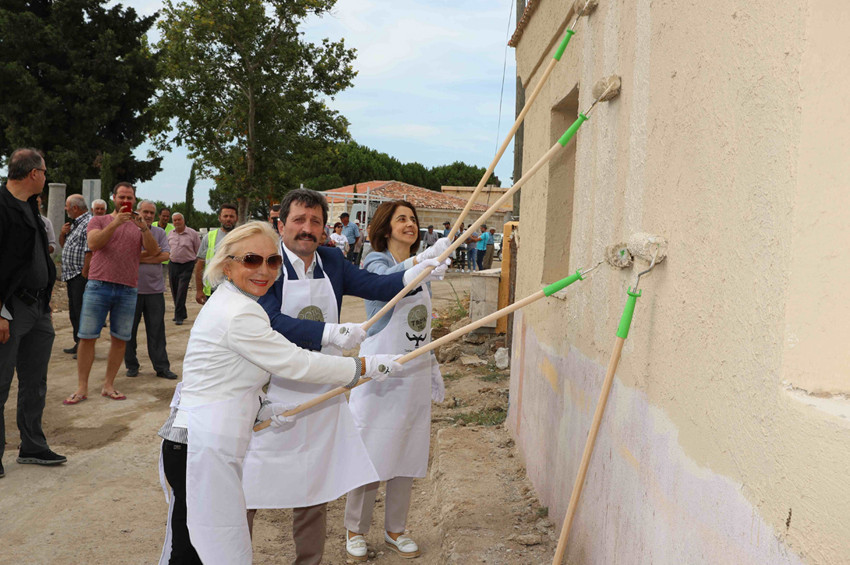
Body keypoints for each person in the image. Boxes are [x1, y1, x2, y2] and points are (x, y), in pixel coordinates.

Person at [156, 220, 404, 565]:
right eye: (251, 260)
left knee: (195, 545)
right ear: (227, 265)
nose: (264, 270)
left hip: (201, 440)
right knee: (204, 548)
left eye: (273, 261)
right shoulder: (239, 312)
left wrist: (260, 406)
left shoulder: (239, 302)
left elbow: (225, 377)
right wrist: (363, 367)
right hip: (201, 445)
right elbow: (295, 363)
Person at [241, 189, 448, 565]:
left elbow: (379, 287)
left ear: (324, 228)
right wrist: (329, 334)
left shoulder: (332, 261)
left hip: (322, 390)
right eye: (299, 220)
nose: (307, 229)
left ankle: (309, 560)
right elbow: (269, 320)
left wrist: (420, 265)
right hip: (270, 392)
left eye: (315, 221)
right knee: (249, 486)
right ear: (281, 224)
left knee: (314, 483)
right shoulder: (268, 263)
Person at [344, 200, 449, 561]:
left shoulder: (426, 269)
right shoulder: (376, 260)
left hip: (413, 373)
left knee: (407, 449)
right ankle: (356, 529)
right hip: (379, 373)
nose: (410, 224)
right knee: (370, 449)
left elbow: (421, 326)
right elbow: (385, 285)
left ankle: (396, 529)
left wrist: (432, 365)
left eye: (413, 219)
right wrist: (419, 263)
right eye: (401, 219)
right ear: (385, 227)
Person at [0, 148, 66, 478]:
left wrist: (45, 298)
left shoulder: (30, 207)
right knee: (0, 382)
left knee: (34, 382)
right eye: (44, 171)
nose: (45, 176)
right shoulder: (1, 206)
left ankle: (32, 445)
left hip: (38, 308)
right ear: (33, 174)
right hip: (10, 309)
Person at [63, 182, 158, 405]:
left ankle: (108, 385)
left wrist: (143, 227)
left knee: (120, 338)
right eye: (122, 197)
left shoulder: (139, 225)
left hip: (127, 288)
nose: (126, 201)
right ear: (114, 198)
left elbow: (153, 252)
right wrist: (115, 223)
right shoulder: (99, 220)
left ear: (135, 200)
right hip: (99, 285)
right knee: (87, 337)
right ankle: (82, 387)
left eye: (130, 198)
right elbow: (95, 243)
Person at [124, 201, 178, 380]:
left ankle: (161, 367)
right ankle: (131, 365)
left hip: (154, 290)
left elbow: (165, 256)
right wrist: (152, 254)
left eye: (151, 213)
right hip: (131, 289)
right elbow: (128, 256)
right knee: (128, 331)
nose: (148, 215)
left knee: (156, 330)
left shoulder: (160, 233)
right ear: (138, 212)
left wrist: (139, 257)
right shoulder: (128, 231)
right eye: (145, 212)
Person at [59, 194, 92, 357]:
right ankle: (77, 342)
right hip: (71, 275)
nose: (66, 210)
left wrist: (85, 274)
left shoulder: (88, 223)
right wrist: (63, 233)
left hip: (80, 275)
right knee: (74, 310)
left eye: (67, 206)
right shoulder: (75, 224)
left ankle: (83, 347)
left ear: (75, 208)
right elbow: (65, 245)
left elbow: (89, 251)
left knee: (81, 311)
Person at [194, 203, 237, 305]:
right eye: (225, 216)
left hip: (236, 290)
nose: (228, 219)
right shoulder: (209, 237)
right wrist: (199, 290)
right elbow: (200, 265)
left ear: (236, 218)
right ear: (219, 218)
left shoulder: (243, 236)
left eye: (231, 216)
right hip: (213, 290)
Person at [167, 213, 199, 325]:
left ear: (183, 220)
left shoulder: (192, 233)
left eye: (179, 219)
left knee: (182, 290)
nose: (177, 222)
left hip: (187, 265)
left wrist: (194, 262)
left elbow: (197, 249)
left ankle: (178, 316)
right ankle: (182, 312)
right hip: (173, 264)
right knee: (174, 290)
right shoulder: (170, 234)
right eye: (174, 220)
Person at [157, 207, 174, 282]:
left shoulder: (172, 229)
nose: (166, 218)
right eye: (164, 216)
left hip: (165, 260)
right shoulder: (152, 225)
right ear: (159, 216)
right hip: (152, 259)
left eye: (167, 216)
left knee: (162, 280)